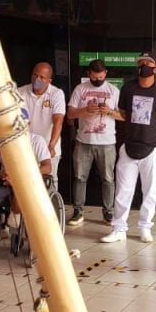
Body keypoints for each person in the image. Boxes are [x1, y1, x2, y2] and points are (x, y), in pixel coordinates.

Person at [102, 53, 156, 243]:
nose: (143, 65)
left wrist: (154, 128)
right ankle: (118, 228)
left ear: (155, 68)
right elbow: (124, 113)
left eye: (147, 63)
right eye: (140, 63)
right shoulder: (128, 87)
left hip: (153, 148)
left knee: (149, 190)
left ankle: (145, 227)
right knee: (123, 190)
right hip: (129, 146)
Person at [0, 131, 52, 256]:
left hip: (28, 183)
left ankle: (17, 219)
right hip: (6, 182)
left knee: (21, 195)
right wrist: (1, 174)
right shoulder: (2, 139)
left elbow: (47, 166)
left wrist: (24, 175)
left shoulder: (37, 140)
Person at [66, 59, 120, 226]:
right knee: (80, 177)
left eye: (101, 77)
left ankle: (108, 212)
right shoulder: (80, 89)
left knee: (108, 178)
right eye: (95, 78)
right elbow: (70, 114)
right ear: (88, 74)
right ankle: (78, 210)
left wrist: (109, 111)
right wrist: (85, 110)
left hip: (107, 142)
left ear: (106, 74)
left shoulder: (113, 90)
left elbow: (123, 115)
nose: (98, 80)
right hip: (84, 141)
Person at [18, 62, 65, 178]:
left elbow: (58, 121)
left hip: (49, 146)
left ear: (49, 80)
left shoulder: (56, 93)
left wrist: (51, 145)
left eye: (42, 77)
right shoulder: (20, 92)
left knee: (50, 182)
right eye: (35, 75)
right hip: (27, 147)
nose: (37, 79)